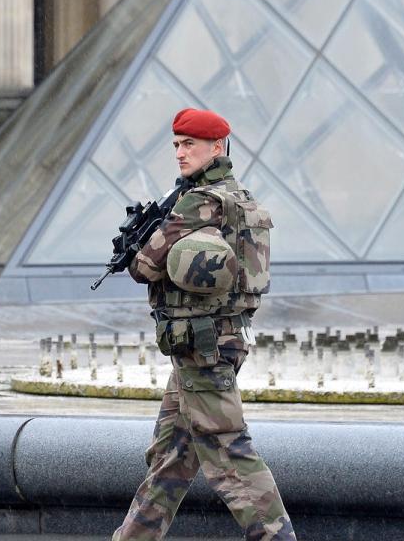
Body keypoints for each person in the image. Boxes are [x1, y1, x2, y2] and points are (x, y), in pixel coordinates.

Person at [112, 108, 296, 541]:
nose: (179, 152)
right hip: (218, 340)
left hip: (202, 346)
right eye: (176, 144)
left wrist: (146, 242)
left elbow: (144, 266)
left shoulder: (198, 201)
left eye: (189, 144)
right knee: (168, 461)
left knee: (230, 455)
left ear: (218, 147)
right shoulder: (242, 199)